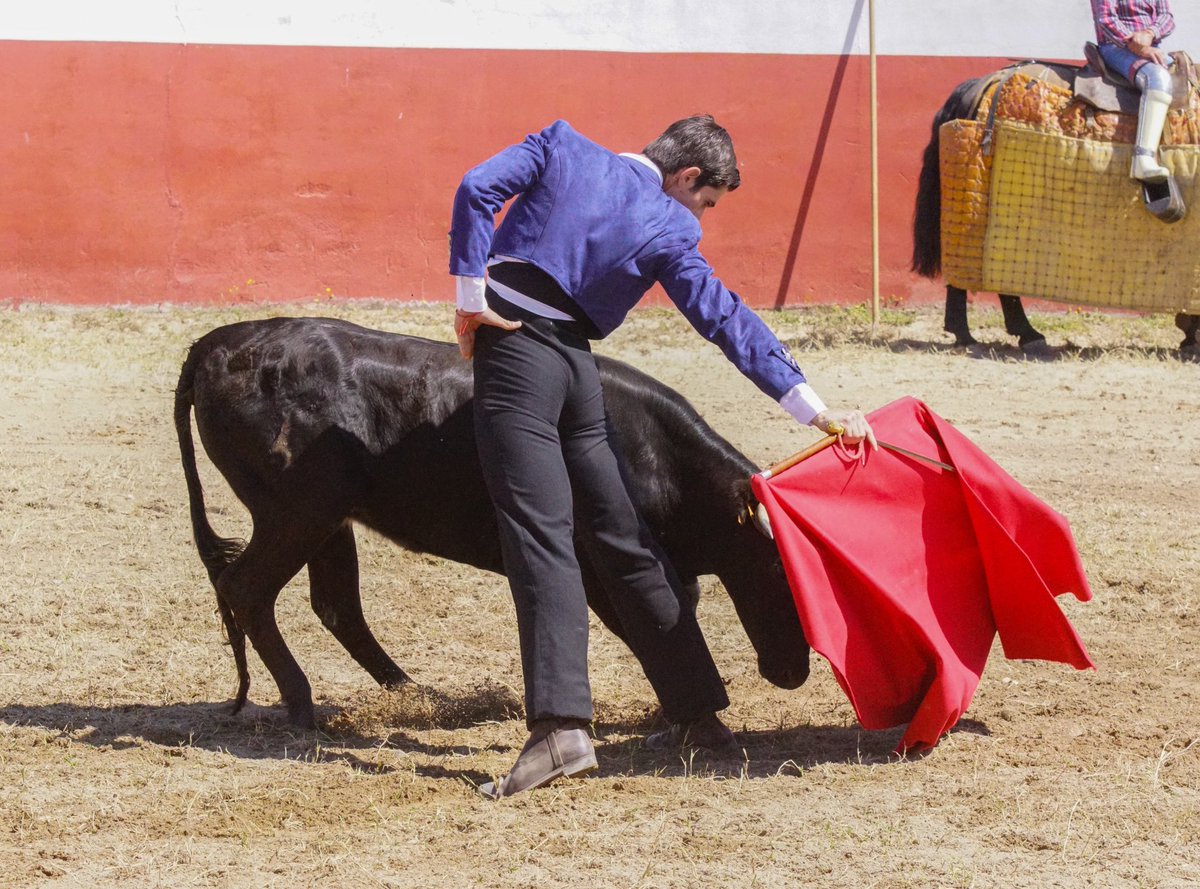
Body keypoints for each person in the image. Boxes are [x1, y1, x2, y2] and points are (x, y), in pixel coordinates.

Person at [448, 116, 875, 799]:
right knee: (622, 536)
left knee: (540, 531)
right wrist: (813, 407)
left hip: (519, 354)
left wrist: (470, 299)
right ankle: (696, 716)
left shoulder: (560, 145)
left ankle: (560, 729)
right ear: (686, 178)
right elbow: (724, 316)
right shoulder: (672, 226)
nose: (702, 215)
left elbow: (475, 188)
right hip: (578, 370)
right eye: (706, 202)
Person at [1090, 0, 1177, 182]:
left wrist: (1150, 33)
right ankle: (1143, 159)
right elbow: (1106, 19)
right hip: (1116, 47)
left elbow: (1166, 16)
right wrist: (1137, 45)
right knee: (1156, 77)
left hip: (1152, 47)